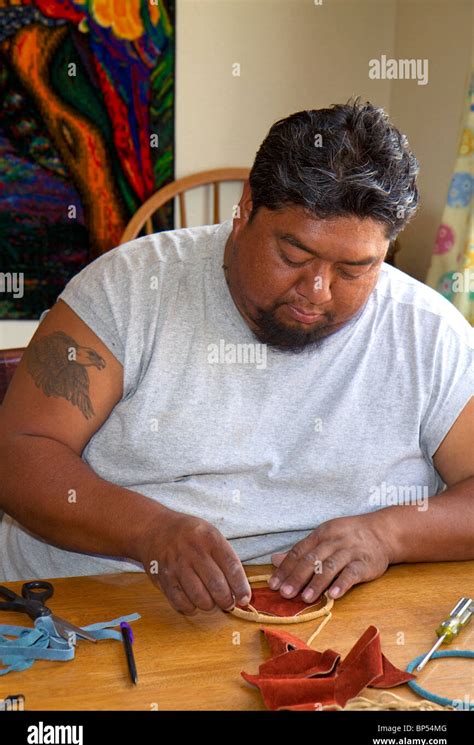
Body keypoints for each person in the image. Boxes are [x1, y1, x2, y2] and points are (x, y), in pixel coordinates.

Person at [1, 99, 472, 617]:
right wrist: (150, 532)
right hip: (99, 611)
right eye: (293, 256)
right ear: (246, 207)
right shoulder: (128, 289)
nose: (316, 290)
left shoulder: (427, 332)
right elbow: (18, 452)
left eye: (355, 270)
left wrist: (388, 536)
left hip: (333, 622)